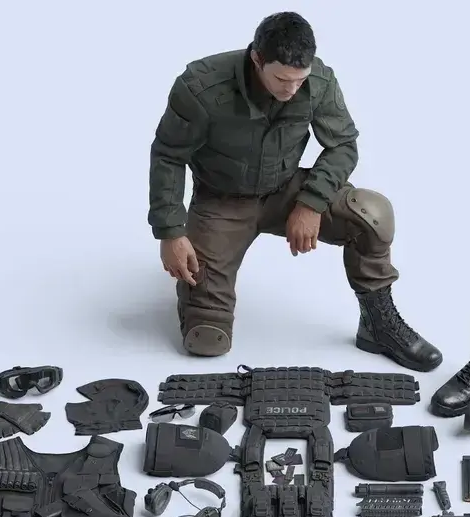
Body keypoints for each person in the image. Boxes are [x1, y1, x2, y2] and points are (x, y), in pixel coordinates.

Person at [147, 11, 443, 373]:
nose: (291, 90)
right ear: (257, 58)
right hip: (221, 202)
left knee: (372, 214)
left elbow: (343, 145)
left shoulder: (318, 81)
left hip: (285, 191)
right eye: (282, 80)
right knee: (207, 340)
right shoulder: (200, 86)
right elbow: (168, 155)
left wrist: (311, 203)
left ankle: (378, 325)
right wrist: (170, 232)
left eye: (299, 80)